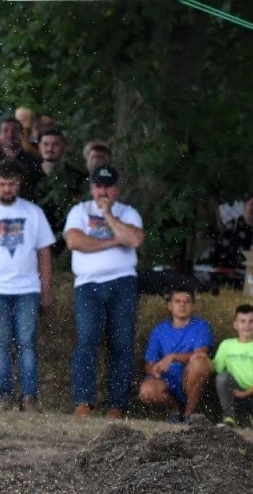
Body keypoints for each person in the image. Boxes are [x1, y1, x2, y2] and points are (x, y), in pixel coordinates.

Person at [0, 160, 55, 411]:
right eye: (2, 184)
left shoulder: (33, 213)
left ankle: (29, 397)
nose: (6, 189)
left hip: (27, 289)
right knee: (1, 344)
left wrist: (46, 290)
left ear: (19, 185)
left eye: (11, 184)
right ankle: (5, 396)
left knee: (27, 343)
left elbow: (45, 254)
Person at [65, 165, 144, 418]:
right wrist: (111, 242)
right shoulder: (79, 211)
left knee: (121, 344)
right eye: (98, 185)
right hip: (87, 285)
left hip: (123, 283)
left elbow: (134, 240)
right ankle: (83, 402)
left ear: (117, 188)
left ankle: (116, 406)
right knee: (88, 340)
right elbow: (75, 241)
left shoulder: (129, 212)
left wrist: (108, 215)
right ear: (91, 187)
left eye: (108, 186)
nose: (103, 191)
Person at [139, 286, 214, 424]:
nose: (182, 305)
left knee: (199, 362)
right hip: (166, 379)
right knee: (146, 391)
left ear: (194, 306)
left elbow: (201, 355)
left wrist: (173, 357)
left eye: (187, 301)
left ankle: (188, 415)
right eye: (178, 301)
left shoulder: (201, 326)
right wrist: (155, 370)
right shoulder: (159, 330)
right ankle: (174, 410)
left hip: (188, 376)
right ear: (170, 305)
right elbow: (149, 364)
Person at [212, 304, 253, 427]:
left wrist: (245, 393)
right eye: (243, 321)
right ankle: (229, 417)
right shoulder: (226, 345)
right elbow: (216, 369)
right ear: (235, 324)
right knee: (222, 377)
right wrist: (201, 358)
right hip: (235, 391)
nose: (247, 325)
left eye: (251, 321)